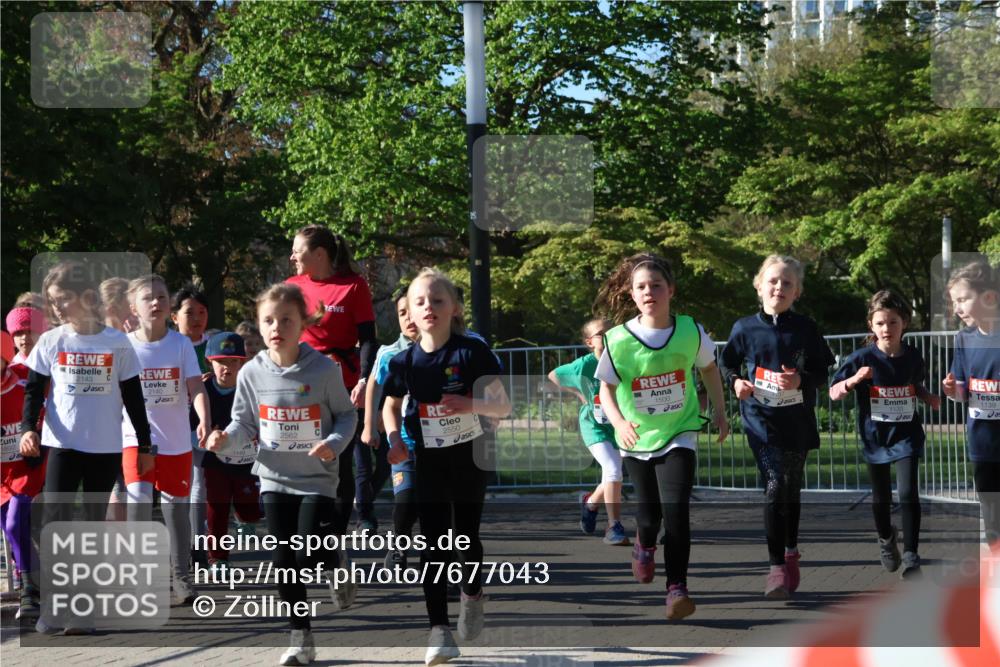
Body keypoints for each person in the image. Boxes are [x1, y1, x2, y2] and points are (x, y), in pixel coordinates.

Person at [205, 283, 357, 666]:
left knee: (308, 552)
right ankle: (300, 637)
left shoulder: (323, 369)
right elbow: (242, 422)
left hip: (317, 478)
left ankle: (334, 562)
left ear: (303, 322)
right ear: (259, 326)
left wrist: (334, 442)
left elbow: (347, 414)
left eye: (286, 319)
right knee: (285, 561)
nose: (277, 327)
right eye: (268, 320)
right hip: (273, 477)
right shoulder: (252, 373)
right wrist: (224, 439)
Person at [383, 268, 511, 666]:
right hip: (427, 460)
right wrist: (393, 439)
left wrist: (470, 405)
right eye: (420, 302)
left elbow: (503, 406)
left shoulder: (471, 352)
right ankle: (438, 630)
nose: (428, 308)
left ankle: (471, 594)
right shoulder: (404, 361)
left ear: (454, 308)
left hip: (470, 456)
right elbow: (390, 405)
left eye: (437, 301)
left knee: (464, 537)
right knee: (434, 544)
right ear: (410, 312)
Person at [19, 261, 154, 634]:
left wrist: (145, 446)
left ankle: (82, 612)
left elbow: (134, 398)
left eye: (63, 299)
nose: (57, 307)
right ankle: (54, 607)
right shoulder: (51, 340)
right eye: (52, 301)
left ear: (87, 298)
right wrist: (28, 429)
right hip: (61, 445)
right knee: (55, 524)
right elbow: (33, 391)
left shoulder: (116, 342)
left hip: (105, 447)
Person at [594, 253, 729, 621]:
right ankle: (644, 543)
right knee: (650, 517)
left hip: (679, 431)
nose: (649, 291)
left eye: (656, 285)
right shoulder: (618, 340)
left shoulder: (690, 331)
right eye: (641, 287)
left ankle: (677, 589)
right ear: (632, 294)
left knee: (677, 511)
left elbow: (710, 370)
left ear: (670, 289)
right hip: (636, 440)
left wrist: (719, 410)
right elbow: (605, 390)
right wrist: (619, 422)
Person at [720, 255, 835, 600]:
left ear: (797, 292)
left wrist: (800, 379)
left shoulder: (806, 327)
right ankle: (774, 569)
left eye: (787, 283)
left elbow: (822, 373)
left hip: (796, 418)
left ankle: (790, 550)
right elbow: (727, 365)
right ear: (759, 285)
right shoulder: (744, 328)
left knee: (791, 486)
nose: (778, 288)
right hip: (760, 418)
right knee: (774, 483)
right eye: (772, 281)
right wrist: (736, 382)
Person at [830, 290, 940, 578]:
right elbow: (833, 392)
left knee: (907, 493)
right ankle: (885, 539)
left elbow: (915, 384)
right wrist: (855, 379)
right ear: (871, 325)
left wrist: (928, 397)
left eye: (892, 322)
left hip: (907, 436)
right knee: (881, 499)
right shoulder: (862, 357)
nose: (886, 329)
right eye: (880, 323)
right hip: (876, 437)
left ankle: (912, 556)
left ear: (904, 323)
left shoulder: (913, 355)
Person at [122, 275, 210, 604]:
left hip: (175, 442)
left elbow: (196, 387)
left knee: (176, 512)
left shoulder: (180, 344)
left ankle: (181, 577)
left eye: (162, 296)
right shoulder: (124, 346)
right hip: (135, 440)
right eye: (148, 298)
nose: (156, 302)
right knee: (139, 504)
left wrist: (204, 418)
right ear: (134, 308)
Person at [286, 226, 377, 537]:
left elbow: (368, 340)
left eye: (297, 250)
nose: (292, 256)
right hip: (301, 386)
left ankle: (334, 537)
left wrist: (364, 379)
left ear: (319, 254)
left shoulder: (353, 286)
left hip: (342, 386)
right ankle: (306, 531)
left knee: (338, 461)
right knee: (303, 460)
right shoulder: (291, 287)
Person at [548, 318, 628, 545]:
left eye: (612, 332)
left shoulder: (624, 359)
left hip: (620, 424)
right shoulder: (583, 365)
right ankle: (614, 527)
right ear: (589, 342)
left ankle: (591, 502)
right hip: (594, 426)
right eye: (602, 333)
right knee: (613, 469)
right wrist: (578, 393)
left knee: (614, 472)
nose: (609, 336)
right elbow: (553, 375)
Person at [942, 261, 1000, 551]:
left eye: (963, 299)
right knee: (992, 518)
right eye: (955, 302)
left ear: (990, 297)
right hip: (983, 444)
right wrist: (953, 391)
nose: (957, 308)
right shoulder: (964, 338)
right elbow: (962, 388)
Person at [361, 284, 419, 568]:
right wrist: (369, 425)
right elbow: (375, 385)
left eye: (413, 310)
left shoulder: (451, 347)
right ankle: (399, 542)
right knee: (406, 501)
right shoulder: (390, 352)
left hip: (444, 445)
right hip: (404, 441)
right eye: (401, 313)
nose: (409, 318)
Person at [199, 331, 262, 569]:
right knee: (217, 509)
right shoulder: (202, 391)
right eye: (221, 362)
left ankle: (242, 517)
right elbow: (192, 426)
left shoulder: (252, 389)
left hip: (248, 461)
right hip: (216, 463)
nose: (227, 368)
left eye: (233, 361)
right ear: (209, 362)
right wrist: (207, 439)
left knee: (251, 513)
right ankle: (217, 559)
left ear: (242, 362)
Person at [1, 331, 46, 619]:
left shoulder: (21, 383)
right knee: (10, 528)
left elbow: (41, 413)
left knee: (17, 522)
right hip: (1, 475)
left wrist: (35, 434)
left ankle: (29, 591)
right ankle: (35, 585)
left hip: (26, 468)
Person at [171, 285, 212, 565]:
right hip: (171, 424)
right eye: (189, 313)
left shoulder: (215, 344)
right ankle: (180, 546)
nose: (196, 318)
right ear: (174, 317)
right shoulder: (168, 345)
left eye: (202, 312)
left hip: (202, 424)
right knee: (179, 489)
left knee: (199, 485)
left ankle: (198, 546)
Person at [5, 304, 48, 373]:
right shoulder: (7, 371)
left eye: (30, 332)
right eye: (19, 332)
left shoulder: (53, 366)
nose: (24, 337)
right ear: (12, 339)